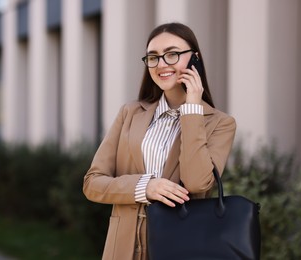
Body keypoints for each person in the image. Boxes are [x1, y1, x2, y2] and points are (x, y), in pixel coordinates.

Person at [83, 22, 236, 260]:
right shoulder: (130, 113)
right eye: (153, 57)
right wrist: (146, 187)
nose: (162, 64)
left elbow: (197, 183)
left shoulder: (221, 124)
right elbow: (92, 183)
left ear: (194, 59)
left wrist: (192, 109)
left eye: (172, 54)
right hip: (122, 249)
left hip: (179, 247)